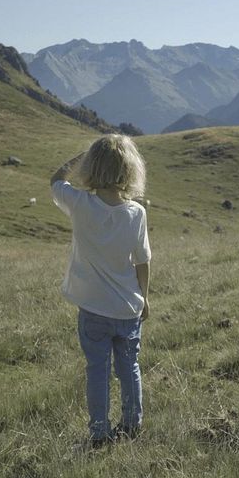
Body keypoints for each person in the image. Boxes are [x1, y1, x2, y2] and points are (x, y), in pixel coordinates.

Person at [49, 134, 151, 447]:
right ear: (131, 170)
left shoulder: (80, 204)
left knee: (98, 371)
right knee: (129, 367)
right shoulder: (136, 213)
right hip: (127, 308)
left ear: (93, 167)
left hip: (93, 310)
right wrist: (144, 299)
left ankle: (99, 432)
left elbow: (55, 180)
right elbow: (142, 261)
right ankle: (132, 424)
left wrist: (80, 158)